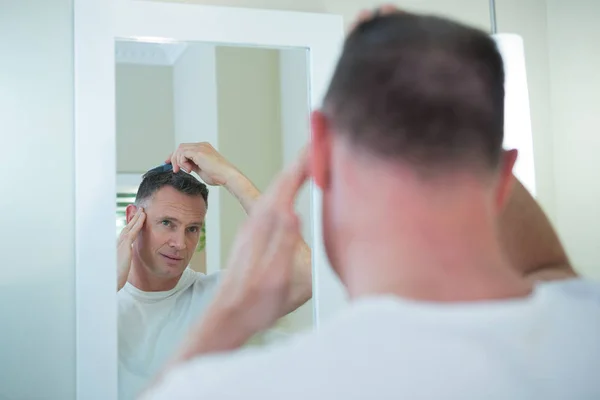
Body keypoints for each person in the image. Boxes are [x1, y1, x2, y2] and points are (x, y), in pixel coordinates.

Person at [141, 7, 600, 400]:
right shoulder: (584, 332)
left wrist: (227, 316)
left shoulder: (254, 387)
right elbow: (549, 267)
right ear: (504, 176)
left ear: (319, 149)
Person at [117, 142, 312, 399]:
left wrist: (230, 176)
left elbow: (307, 275)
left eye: (192, 229)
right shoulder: (94, 302)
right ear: (133, 218)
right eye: (167, 223)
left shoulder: (218, 296)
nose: (180, 243)